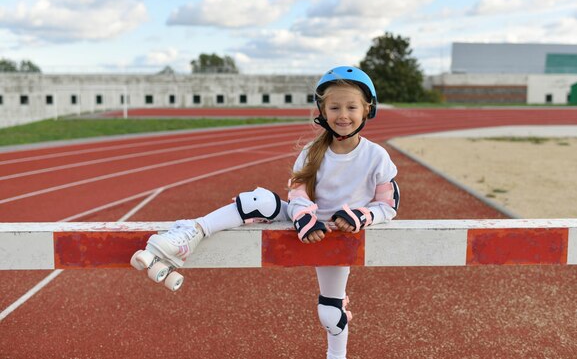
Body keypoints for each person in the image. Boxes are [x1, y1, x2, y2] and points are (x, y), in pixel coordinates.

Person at [133, 66, 400, 359]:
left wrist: (361, 216)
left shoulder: (376, 157)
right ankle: (192, 232)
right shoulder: (313, 152)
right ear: (322, 111)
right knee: (258, 200)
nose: (343, 115)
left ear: (367, 110)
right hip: (307, 224)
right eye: (334, 107)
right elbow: (298, 193)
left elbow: (387, 205)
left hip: (336, 237)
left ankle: (337, 356)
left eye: (351, 107)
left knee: (330, 315)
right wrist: (302, 217)